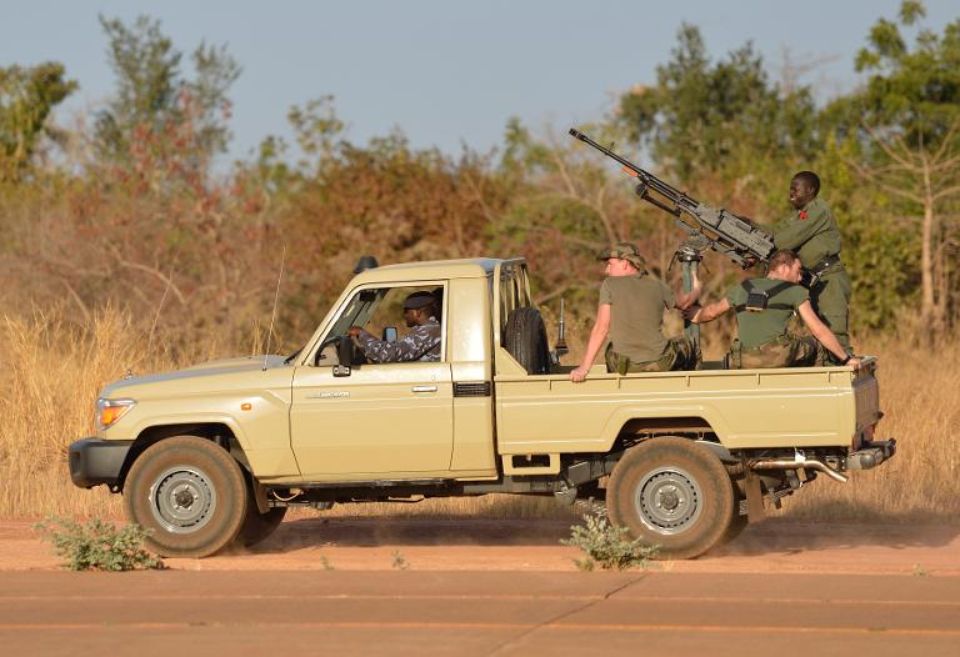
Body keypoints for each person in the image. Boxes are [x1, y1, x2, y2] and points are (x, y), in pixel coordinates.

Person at [687, 249, 861, 370]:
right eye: (798, 271)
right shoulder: (795, 291)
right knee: (816, 344)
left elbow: (710, 313)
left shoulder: (742, 287)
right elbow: (818, 330)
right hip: (777, 357)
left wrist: (692, 314)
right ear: (784, 267)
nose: (800, 277)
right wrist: (846, 358)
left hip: (745, 360)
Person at [570, 242, 701, 383]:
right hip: (661, 363)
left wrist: (584, 367)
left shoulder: (609, 285)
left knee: (611, 348)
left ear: (625, 263)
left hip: (625, 367)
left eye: (610, 264)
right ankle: (690, 385)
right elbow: (685, 303)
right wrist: (697, 285)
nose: (607, 270)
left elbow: (601, 328)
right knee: (687, 344)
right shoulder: (657, 286)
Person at [767, 170, 851, 360]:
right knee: (818, 335)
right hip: (812, 281)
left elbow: (784, 240)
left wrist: (762, 240)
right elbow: (773, 232)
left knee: (835, 334)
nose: (791, 193)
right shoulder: (799, 215)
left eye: (795, 189)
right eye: (790, 189)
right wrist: (746, 225)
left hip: (829, 280)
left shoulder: (818, 210)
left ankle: (843, 376)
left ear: (811, 190)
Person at [347, 291, 441, 363]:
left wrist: (362, 334)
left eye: (406, 311)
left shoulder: (430, 331)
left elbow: (390, 354)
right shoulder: (426, 329)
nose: (404, 315)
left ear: (418, 313)